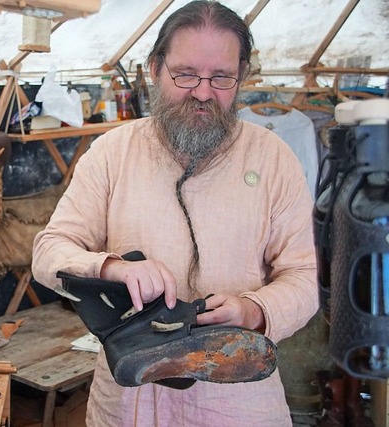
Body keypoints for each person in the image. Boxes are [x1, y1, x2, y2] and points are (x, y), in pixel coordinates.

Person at [31, 1, 319, 425]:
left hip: (236, 403)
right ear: (154, 68)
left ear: (241, 76)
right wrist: (110, 268)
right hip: (129, 401)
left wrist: (254, 310)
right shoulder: (113, 153)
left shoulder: (272, 158)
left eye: (221, 77)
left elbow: (309, 274)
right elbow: (49, 251)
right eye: (185, 74)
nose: (203, 92)